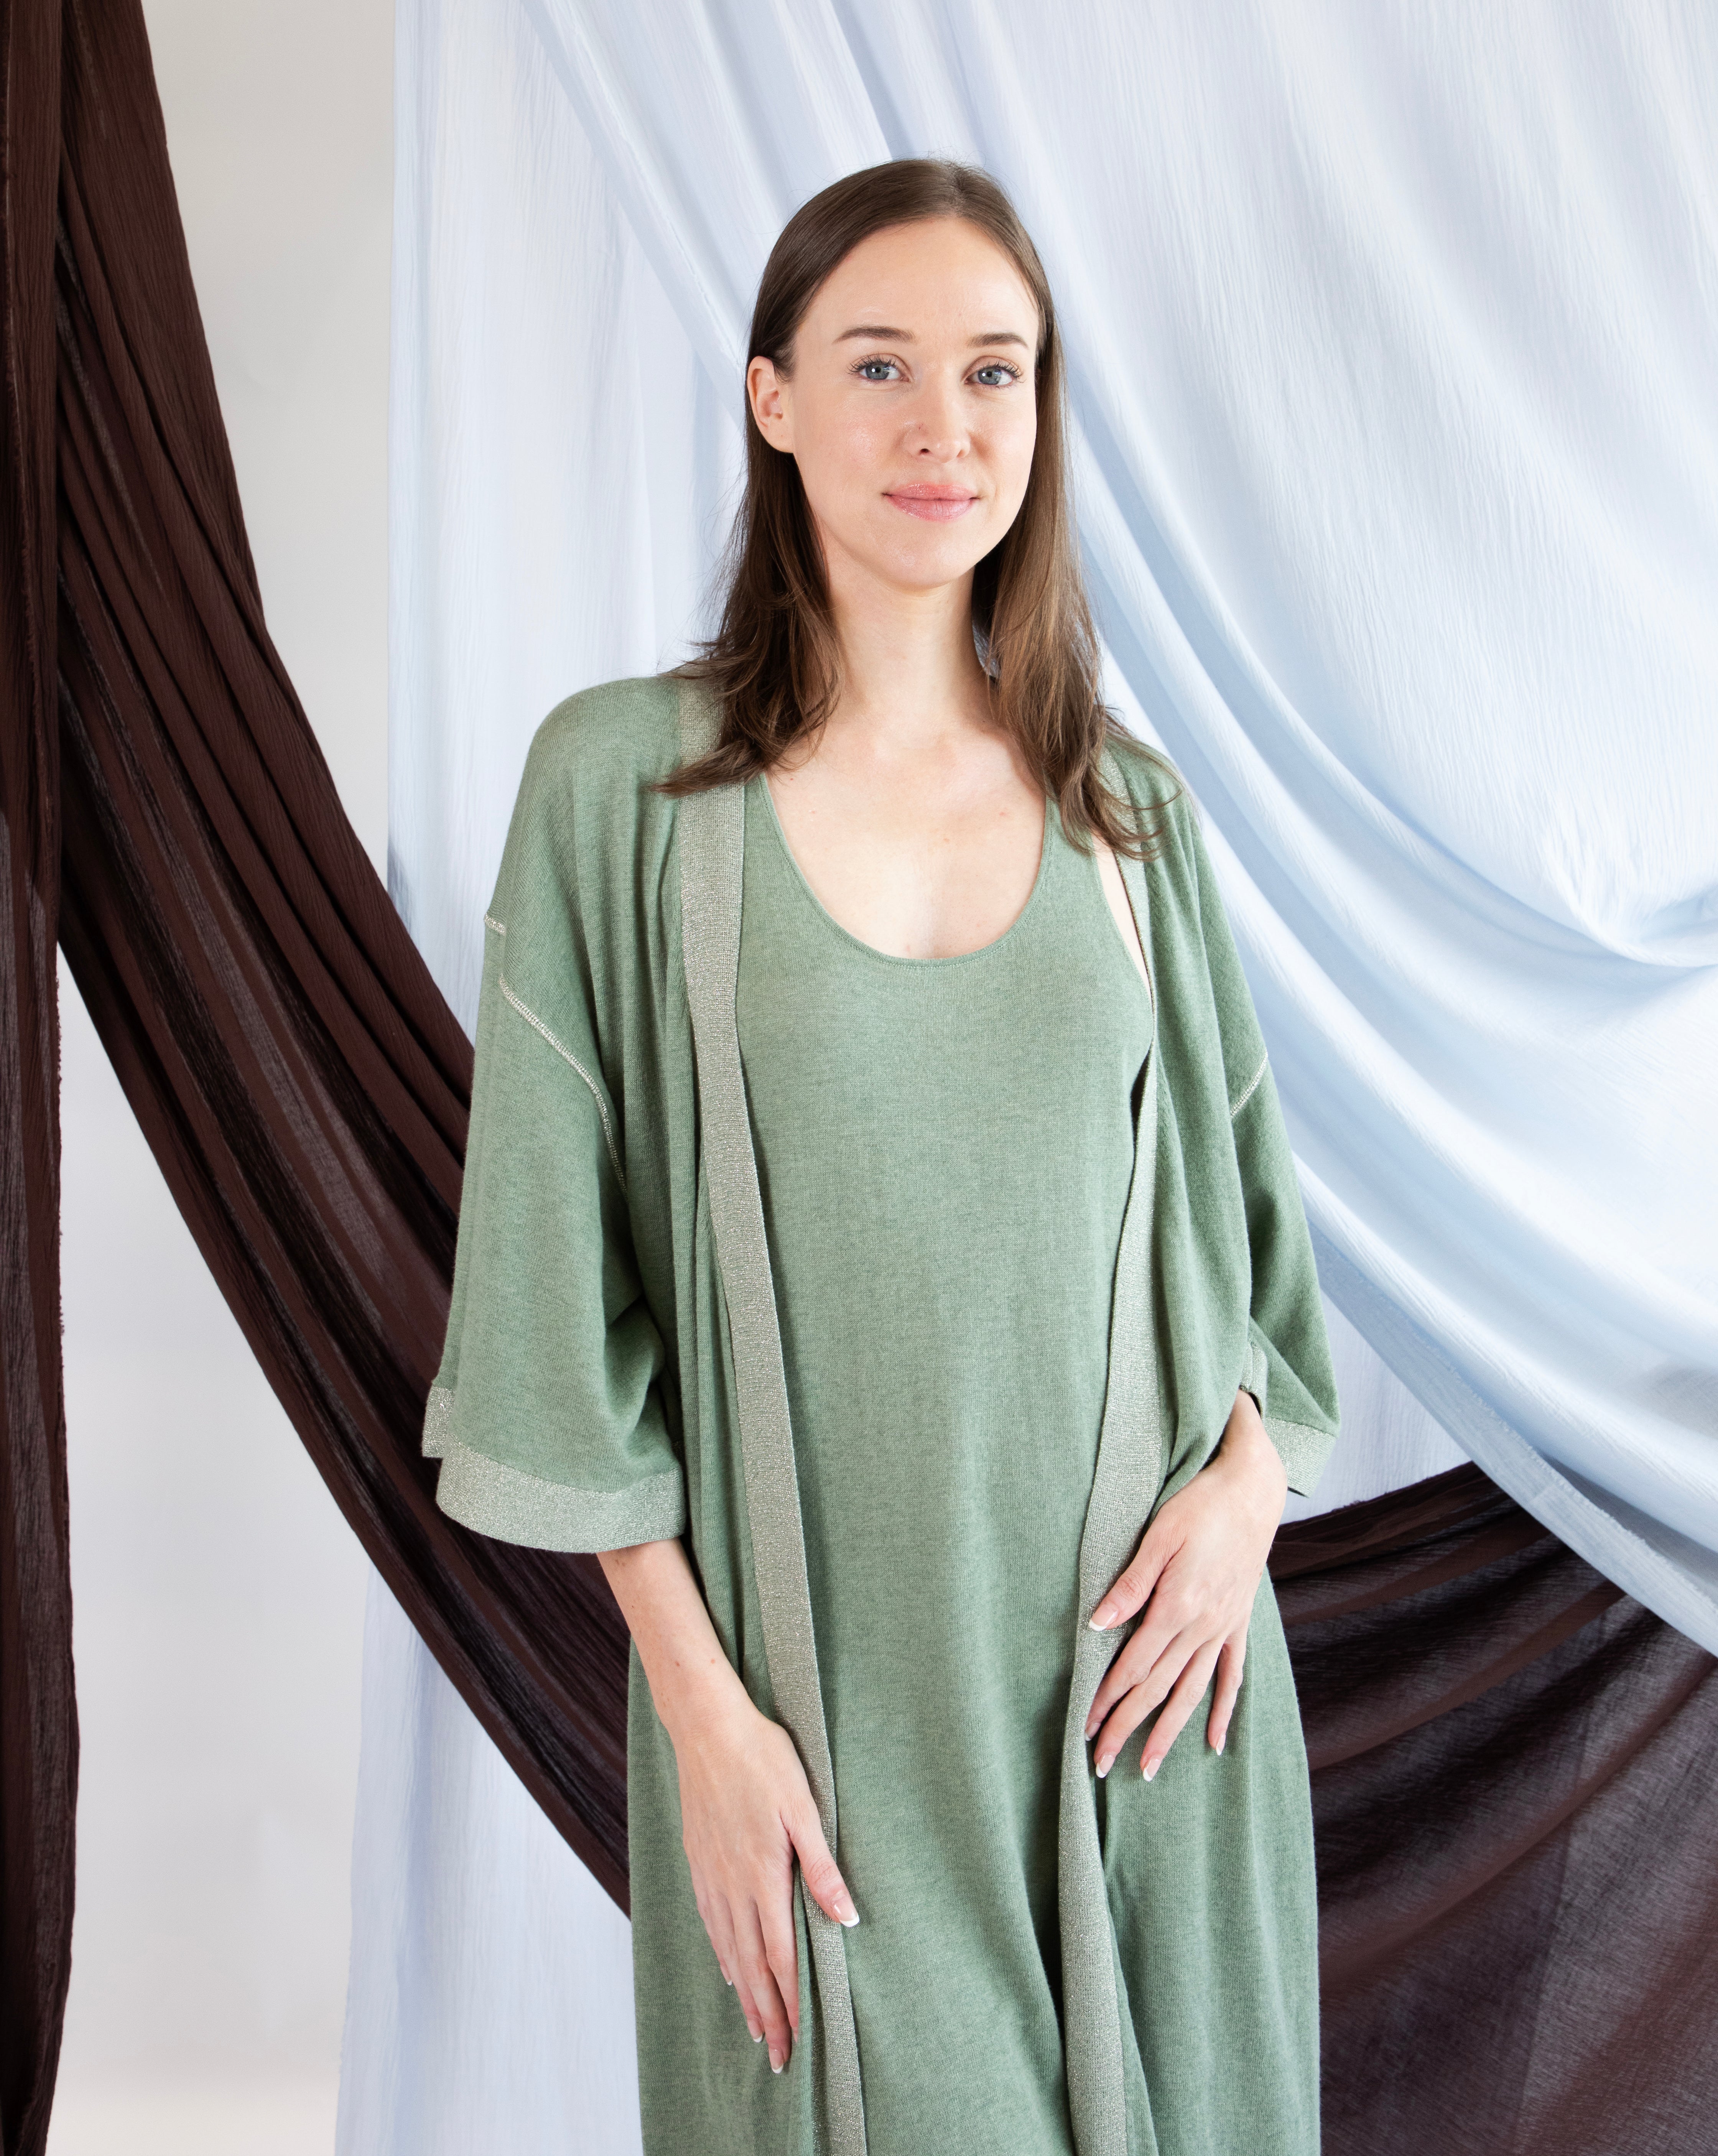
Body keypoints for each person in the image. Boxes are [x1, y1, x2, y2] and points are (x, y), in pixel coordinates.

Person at [423, 157, 1340, 2156]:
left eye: (996, 371)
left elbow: (1263, 1278)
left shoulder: (1131, 818)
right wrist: (705, 1722)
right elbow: (554, 1321)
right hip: (812, 1736)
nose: (947, 425)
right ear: (771, 398)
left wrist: (1247, 1506)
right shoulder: (622, 793)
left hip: (1149, 1719)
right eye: (880, 364)